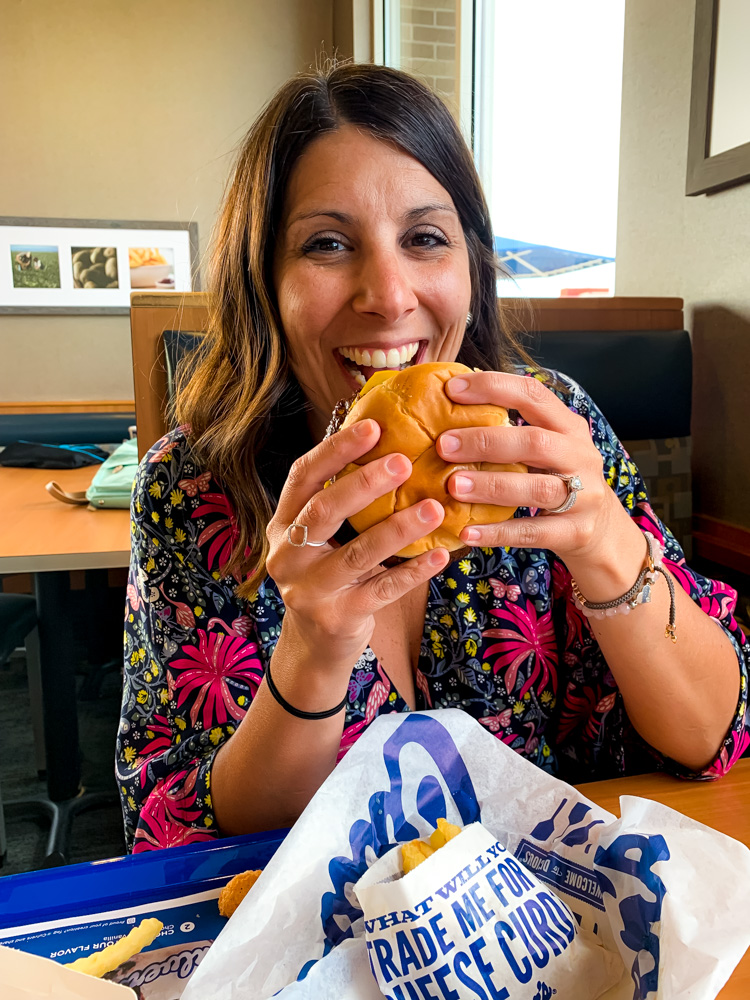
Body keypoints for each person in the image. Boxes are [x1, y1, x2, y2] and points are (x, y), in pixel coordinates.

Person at [118, 62, 748, 853]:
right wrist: (313, 650)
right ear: (262, 282)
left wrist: (607, 546)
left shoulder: (550, 434)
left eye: (424, 238)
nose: (388, 293)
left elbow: (713, 736)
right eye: (326, 243)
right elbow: (191, 830)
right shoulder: (195, 484)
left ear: (471, 267)